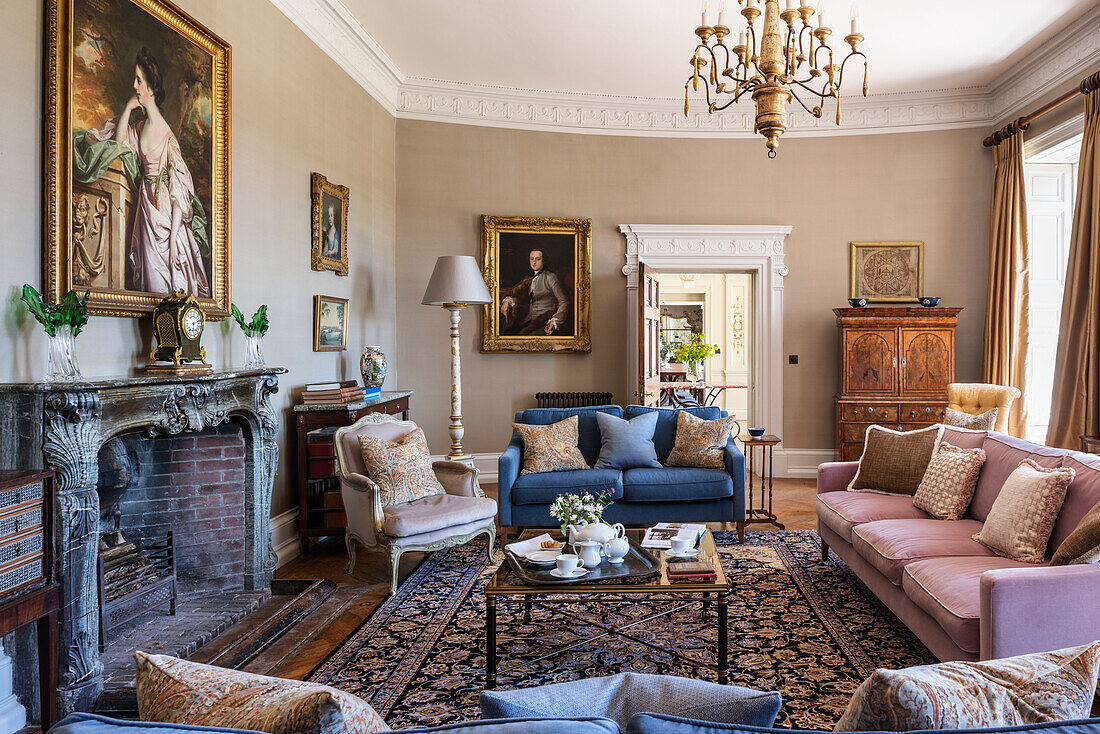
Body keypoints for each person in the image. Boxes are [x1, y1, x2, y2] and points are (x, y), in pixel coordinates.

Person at [85, 47, 209, 297]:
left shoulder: (168, 138)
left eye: (139, 81)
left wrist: (174, 240)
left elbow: (179, 196)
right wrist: (128, 110)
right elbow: (118, 146)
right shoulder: (140, 127)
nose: (134, 85)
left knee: (166, 288)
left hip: (164, 213)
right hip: (146, 212)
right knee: (150, 286)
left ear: (151, 88)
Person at [499, 249, 570, 336]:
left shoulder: (550, 277)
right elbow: (523, 298)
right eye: (532, 259)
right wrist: (508, 301)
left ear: (543, 261)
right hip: (527, 318)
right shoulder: (529, 278)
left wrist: (555, 321)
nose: (534, 262)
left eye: (538, 259)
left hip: (542, 320)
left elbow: (564, 301)